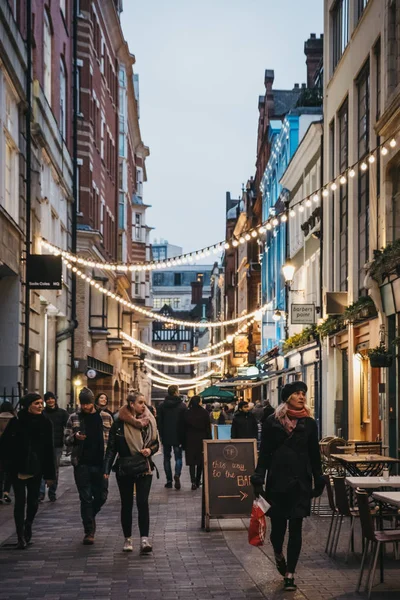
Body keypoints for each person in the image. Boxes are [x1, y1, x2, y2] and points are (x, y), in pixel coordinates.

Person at [250, 381, 324, 592]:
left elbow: (314, 454)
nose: (301, 397)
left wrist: (318, 478)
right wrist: (258, 478)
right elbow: (264, 454)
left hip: (300, 482)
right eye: (297, 393)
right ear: (288, 397)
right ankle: (278, 554)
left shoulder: (309, 423)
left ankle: (290, 573)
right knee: (278, 530)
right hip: (278, 483)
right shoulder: (273, 422)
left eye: (303, 393)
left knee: (296, 529)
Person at [104, 392, 159, 553]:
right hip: (125, 467)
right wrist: (106, 469)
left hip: (144, 467)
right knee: (126, 504)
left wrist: (150, 449)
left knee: (142, 503)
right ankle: (127, 539)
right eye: (140, 402)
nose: (143, 405)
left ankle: (144, 539)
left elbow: (156, 443)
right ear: (131, 404)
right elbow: (111, 449)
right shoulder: (119, 424)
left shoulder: (149, 422)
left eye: (144, 402)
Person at [0, 393, 56, 549]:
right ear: (28, 405)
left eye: (41, 403)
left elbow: (48, 450)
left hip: (36, 469)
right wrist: (6, 465)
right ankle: (20, 536)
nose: (40, 406)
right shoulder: (16, 422)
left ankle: (28, 525)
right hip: (17, 468)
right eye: (37, 403)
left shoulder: (45, 423)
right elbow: (4, 445)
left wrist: (50, 474)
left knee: (33, 502)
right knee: (20, 502)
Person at [64, 387, 112, 545]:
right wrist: (75, 437)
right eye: (82, 403)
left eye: (87, 403)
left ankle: (89, 516)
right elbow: (66, 439)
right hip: (82, 463)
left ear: (93, 402)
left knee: (102, 496)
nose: (84, 406)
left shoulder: (105, 417)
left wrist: (111, 462)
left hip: (100, 463)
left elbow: (111, 441)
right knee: (85, 498)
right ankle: (89, 531)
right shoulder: (74, 417)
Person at [39, 392, 69, 502]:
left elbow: (68, 426)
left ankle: (52, 492)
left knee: (55, 469)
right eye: (48, 399)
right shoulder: (42, 413)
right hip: (43, 445)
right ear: (45, 401)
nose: (50, 400)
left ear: (55, 400)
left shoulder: (62, 413)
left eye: (52, 398)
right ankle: (41, 493)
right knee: (42, 468)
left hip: (57, 445)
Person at [157, 385, 187, 490]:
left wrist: (161, 434)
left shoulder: (161, 406)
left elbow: (159, 422)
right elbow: (184, 423)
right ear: (176, 392)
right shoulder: (183, 406)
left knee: (166, 458)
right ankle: (177, 474)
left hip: (166, 436)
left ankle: (169, 481)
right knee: (178, 457)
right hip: (178, 436)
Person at [180, 395, 211, 490]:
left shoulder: (187, 412)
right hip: (201, 439)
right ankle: (198, 480)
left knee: (192, 462)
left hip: (189, 439)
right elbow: (208, 428)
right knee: (200, 462)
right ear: (199, 402)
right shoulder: (205, 413)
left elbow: (183, 428)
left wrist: (183, 441)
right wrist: (209, 440)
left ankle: (193, 481)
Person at [0, 401, 16, 504]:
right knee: (9, 472)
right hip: (11, 449)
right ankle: (6, 492)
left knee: (0, 472)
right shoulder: (14, 419)